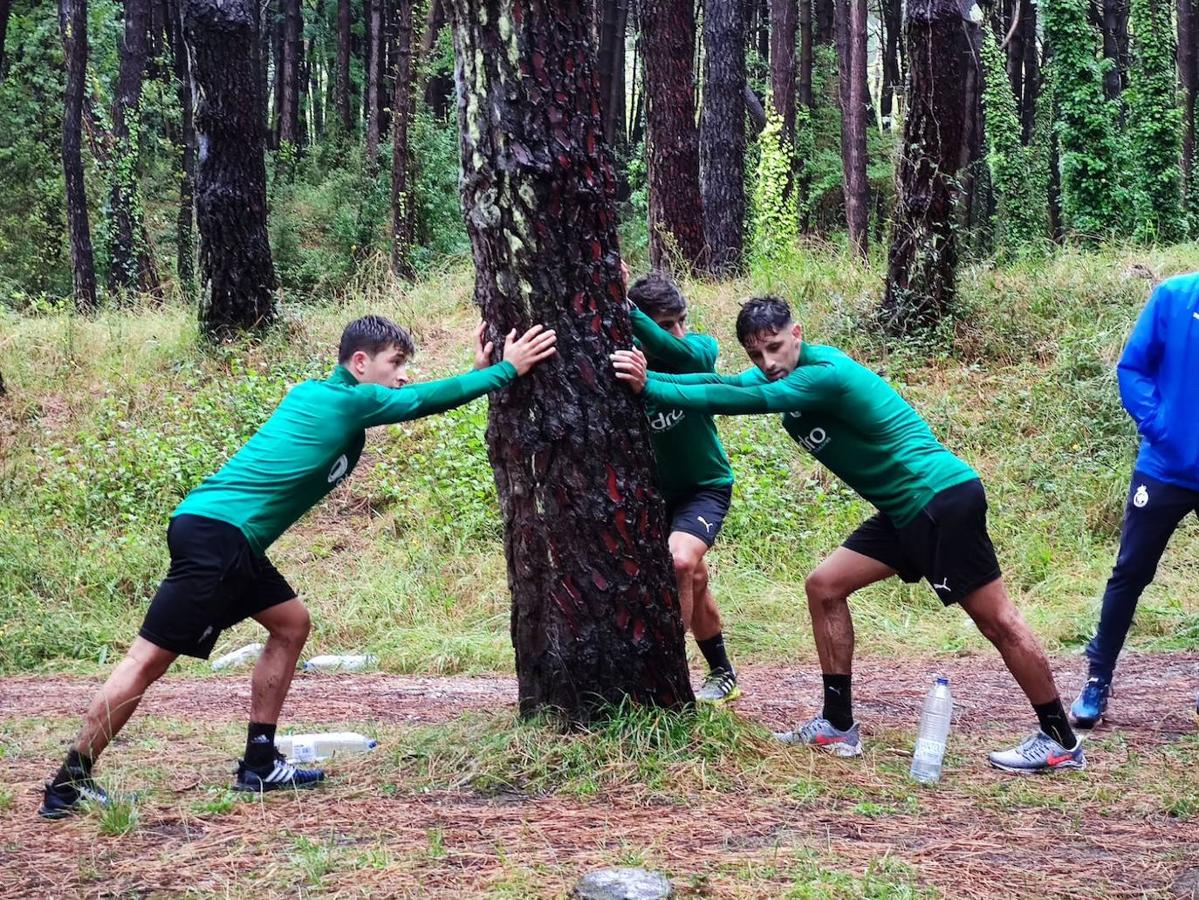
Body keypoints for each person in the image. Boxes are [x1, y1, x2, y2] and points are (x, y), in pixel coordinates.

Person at [39, 316, 557, 818]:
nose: (403, 374)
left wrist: (482, 373)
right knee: (147, 661)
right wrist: (504, 370)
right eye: (395, 362)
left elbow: (416, 400)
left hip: (229, 538)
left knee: (290, 624)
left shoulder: (332, 398)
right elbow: (419, 401)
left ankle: (260, 763)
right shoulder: (343, 401)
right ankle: (69, 782)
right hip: (220, 537)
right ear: (360, 362)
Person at [612, 296, 1085, 773]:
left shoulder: (824, 374)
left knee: (997, 622)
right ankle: (838, 725)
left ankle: (1059, 738)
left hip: (938, 499)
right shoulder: (787, 373)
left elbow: (746, 399)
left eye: (776, 347)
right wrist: (645, 376)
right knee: (825, 587)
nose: (768, 363)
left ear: (797, 334)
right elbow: (722, 382)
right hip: (903, 510)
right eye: (757, 355)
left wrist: (649, 385)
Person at [1070, 273, 1199, 728]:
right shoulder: (1175, 296)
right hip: (1164, 467)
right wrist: (1160, 428)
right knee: (1131, 571)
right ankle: (1097, 679)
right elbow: (1133, 368)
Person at [626, 272, 740, 704]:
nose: (678, 331)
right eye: (666, 322)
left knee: (679, 562)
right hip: (653, 496)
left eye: (681, 320)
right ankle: (723, 672)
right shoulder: (627, 363)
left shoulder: (699, 351)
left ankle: (665, 674)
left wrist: (626, 306)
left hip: (704, 487)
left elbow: (674, 348)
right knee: (694, 575)